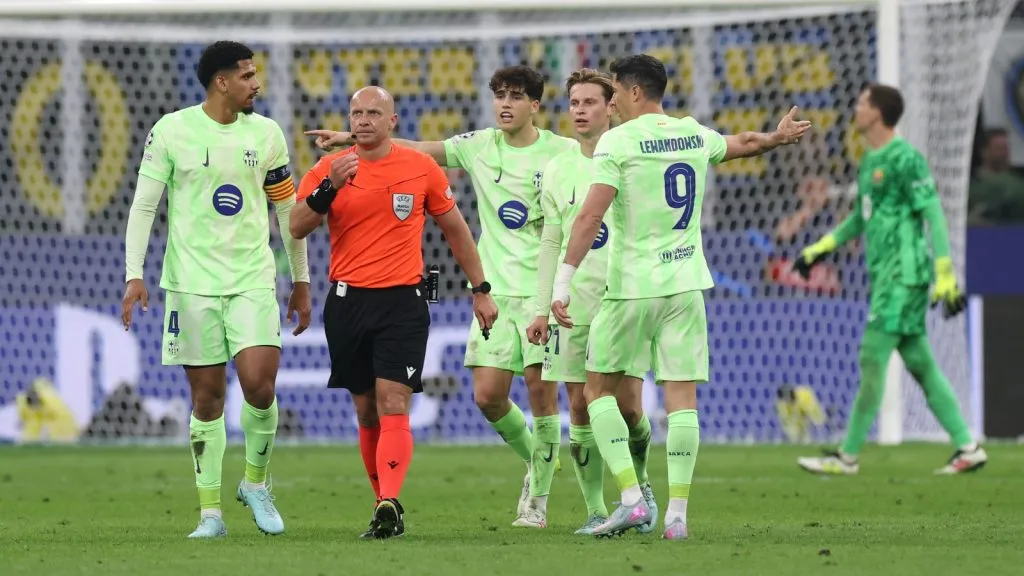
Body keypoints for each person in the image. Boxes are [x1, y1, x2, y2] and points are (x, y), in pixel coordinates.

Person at [550, 54, 810, 539]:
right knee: (682, 400)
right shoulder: (692, 133)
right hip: (686, 285)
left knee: (595, 391)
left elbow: (589, 217)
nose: (613, 102)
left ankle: (631, 500)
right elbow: (743, 143)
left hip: (631, 288)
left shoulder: (617, 141)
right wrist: (777, 137)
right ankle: (677, 516)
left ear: (632, 92)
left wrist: (562, 281)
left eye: (615, 92)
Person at [306, 66, 577, 525]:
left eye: (516, 96)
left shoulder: (562, 152)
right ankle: (538, 458)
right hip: (497, 288)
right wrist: (355, 138)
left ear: (535, 104)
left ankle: (538, 501)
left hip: (542, 291)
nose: (505, 104)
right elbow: (414, 148)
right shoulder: (479, 145)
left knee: (539, 390)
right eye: (500, 96)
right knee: (488, 397)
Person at [121, 40, 312, 539]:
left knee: (260, 385)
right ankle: (210, 515)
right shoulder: (172, 130)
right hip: (191, 285)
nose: (257, 84)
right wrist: (133, 273)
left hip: (252, 278)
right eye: (247, 75)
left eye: (255, 74)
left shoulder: (267, 134)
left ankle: (255, 483)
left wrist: (302, 280)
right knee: (207, 400)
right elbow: (144, 206)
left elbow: (287, 212)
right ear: (220, 82)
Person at [291, 86, 498, 539]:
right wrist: (330, 188)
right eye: (356, 113)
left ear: (393, 121)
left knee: (393, 401)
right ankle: (381, 503)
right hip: (347, 302)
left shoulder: (420, 168)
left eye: (373, 113)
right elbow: (296, 225)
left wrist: (480, 289)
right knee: (366, 410)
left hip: (403, 301)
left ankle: (389, 500)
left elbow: (456, 230)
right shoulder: (329, 169)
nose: (363, 120)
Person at [792, 84, 987, 476]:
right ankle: (968, 447)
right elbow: (861, 218)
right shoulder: (870, 159)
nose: (855, 107)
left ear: (877, 113)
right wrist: (820, 248)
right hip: (886, 276)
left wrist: (945, 272)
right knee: (920, 362)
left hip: (903, 275)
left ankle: (847, 456)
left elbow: (933, 212)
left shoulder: (905, 158)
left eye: (862, 103)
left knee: (872, 356)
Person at [525, 68, 655, 534]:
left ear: (611, 107)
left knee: (630, 408)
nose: (580, 111)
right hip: (572, 305)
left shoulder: (630, 156)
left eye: (590, 102)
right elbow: (550, 243)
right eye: (574, 103)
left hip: (622, 297)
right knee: (579, 406)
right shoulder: (557, 170)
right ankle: (598, 511)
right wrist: (541, 306)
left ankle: (641, 487)